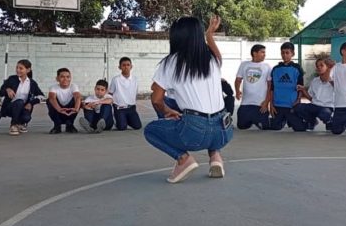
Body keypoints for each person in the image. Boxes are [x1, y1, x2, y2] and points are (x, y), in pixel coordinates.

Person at [144, 15, 233, 183]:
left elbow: (156, 100)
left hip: (195, 132)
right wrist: (210, 34)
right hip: (224, 131)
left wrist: (166, 111)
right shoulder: (212, 60)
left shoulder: (170, 63)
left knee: (151, 130)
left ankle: (183, 159)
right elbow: (215, 52)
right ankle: (215, 155)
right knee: (209, 113)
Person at [0, 59, 44, 135]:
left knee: (27, 118)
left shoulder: (32, 83)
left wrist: (31, 103)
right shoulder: (11, 79)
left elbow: (41, 96)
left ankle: (20, 123)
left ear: (28, 70)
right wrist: (7, 89)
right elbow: (0, 93)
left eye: (21, 68)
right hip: (9, 107)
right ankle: (13, 125)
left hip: (23, 107)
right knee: (19, 102)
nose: (17, 70)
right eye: (17, 68)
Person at [268, 42, 305, 131]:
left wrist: (298, 100)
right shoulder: (275, 69)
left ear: (292, 54)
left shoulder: (297, 68)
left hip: (292, 104)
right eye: (282, 53)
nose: (284, 55)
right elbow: (272, 88)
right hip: (278, 104)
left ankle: (309, 121)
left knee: (299, 129)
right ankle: (283, 119)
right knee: (274, 127)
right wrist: (271, 104)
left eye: (287, 52)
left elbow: (301, 87)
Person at [235, 44, 272, 130]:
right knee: (241, 126)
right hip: (246, 103)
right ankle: (252, 120)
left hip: (260, 104)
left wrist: (266, 102)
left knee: (265, 127)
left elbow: (270, 86)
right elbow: (238, 80)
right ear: (254, 53)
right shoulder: (244, 64)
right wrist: (237, 91)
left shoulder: (267, 66)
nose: (264, 54)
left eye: (264, 52)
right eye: (262, 52)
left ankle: (257, 119)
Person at [296, 58, 335, 131]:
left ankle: (329, 122)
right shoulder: (315, 81)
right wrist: (303, 90)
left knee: (324, 113)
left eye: (321, 65)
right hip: (314, 105)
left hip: (327, 107)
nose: (319, 67)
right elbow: (311, 98)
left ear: (327, 67)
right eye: (317, 66)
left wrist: (330, 75)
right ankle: (312, 122)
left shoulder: (333, 80)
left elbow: (338, 89)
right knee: (299, 107)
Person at [109, 57, 142, 130]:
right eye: (123, 65)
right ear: (119, 67)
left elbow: (135, 93)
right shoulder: (115, 80)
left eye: (128, 65)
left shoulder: (135, 79)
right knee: (122, 128)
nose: (126, 67)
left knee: (137, 126)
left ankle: (125, 119)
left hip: (131, 108)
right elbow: (110, 93)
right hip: (119, 108)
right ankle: (118, 119)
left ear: (131, 67)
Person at [47, 68, 82, 134]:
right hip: (58, 111)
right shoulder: (53, 87)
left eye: (68, 77)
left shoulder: (73, 86)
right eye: (62, 77)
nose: (65, 79)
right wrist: (59, 109)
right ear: (57, 78)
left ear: (70, 78)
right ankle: (57, 126)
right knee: (49, 101)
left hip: (70, 111)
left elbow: (77, 97)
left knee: (79, 100)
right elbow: (52, 98)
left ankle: (70, 125)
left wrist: (76, 109)